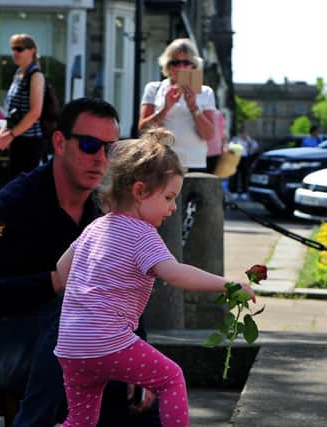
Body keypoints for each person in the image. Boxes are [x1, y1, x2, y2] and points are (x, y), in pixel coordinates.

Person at [0, 98, 161, 427]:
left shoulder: (104, 214)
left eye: (110, 149)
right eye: (88, 145)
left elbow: (124, 298)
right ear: (59, 142)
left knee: (136, 383)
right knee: (74, 318)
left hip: (51, 340)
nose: (100, 158)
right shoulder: (14, 203)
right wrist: (55, 281)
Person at [54, 128, 256, 427]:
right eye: (169, 197)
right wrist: (229, 284)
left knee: (80, 421)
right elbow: (176, 274)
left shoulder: (95, 228)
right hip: (108, 342)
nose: (174, 207)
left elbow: (61, 269)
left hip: (71, 345)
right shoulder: (143, 234)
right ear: (139, 191)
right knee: (171, 378)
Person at [138, 38, 216, 173]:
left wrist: (194, 108)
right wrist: (165, 108)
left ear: (194, 66)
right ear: (168, 66)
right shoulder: (154, 88)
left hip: (194, 163)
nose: (181, 67)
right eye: (175, 62)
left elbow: (209, 135)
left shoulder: (205, 92)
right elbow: (143, 130)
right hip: (161, 162)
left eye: (186, 62)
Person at [0, 33, 45, 179]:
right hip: (16, 140)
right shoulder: (18, 74)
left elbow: (35, 113)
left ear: (32, 50)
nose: (15, 53)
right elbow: (11, 114)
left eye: (19, 49)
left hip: (29, 143)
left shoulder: (35, 75)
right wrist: (0, 135)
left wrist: (10, 135)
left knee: (24, 189)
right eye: (13, 49)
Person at [229, 125, 259, 200]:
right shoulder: (235, 139)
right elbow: (230, 147)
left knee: (244, 176)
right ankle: (234, 191)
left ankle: (244, 192)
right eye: (242, 133)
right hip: (236, 158)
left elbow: (256, 146)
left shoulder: (249, 140)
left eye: (245, 133)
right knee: (235, 176)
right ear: (240, 133)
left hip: (245, 159)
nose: (244, 134)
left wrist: (251, 150)